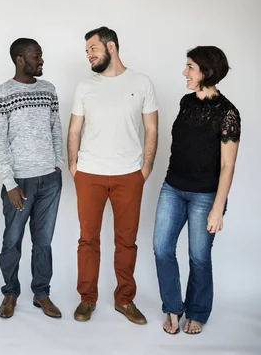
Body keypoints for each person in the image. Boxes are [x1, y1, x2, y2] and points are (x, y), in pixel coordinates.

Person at [67, 26, 158, 324]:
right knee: (88, 240)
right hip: (89, 173)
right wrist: (73, 165)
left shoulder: (142, 82)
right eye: (87, 52)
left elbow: (152, 129)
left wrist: (144, 170)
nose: (89, 55)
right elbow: (75, 129)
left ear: (111, 47)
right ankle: (87, 299)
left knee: (127, 241)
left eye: (93, 49)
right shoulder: (85, 86)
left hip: (129, 175)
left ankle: (125, 300)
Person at [153, 46, 240, 335]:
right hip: (173, 188)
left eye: (190, 66)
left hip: (206, 196)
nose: (184, 72)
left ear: (207, 71)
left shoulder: (228, 113)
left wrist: (218, 207)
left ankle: (198, 311)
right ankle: (173, 308)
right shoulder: (185, 102)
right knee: (162, 249)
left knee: (199, 256)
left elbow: (227, 166)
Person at [0, 38, 64, 319]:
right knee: (12, 240)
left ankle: (41, 294)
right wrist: (9, 183)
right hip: (19, 183)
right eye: (37, 56)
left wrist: (58, 166)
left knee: (43, 242)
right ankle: (10, 293)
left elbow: (56, 128)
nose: (41, 60)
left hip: (49, 181)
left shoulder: (49, 90)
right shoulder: (3, 93)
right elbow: (0, 141)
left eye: (41, 55)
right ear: (20, 59)